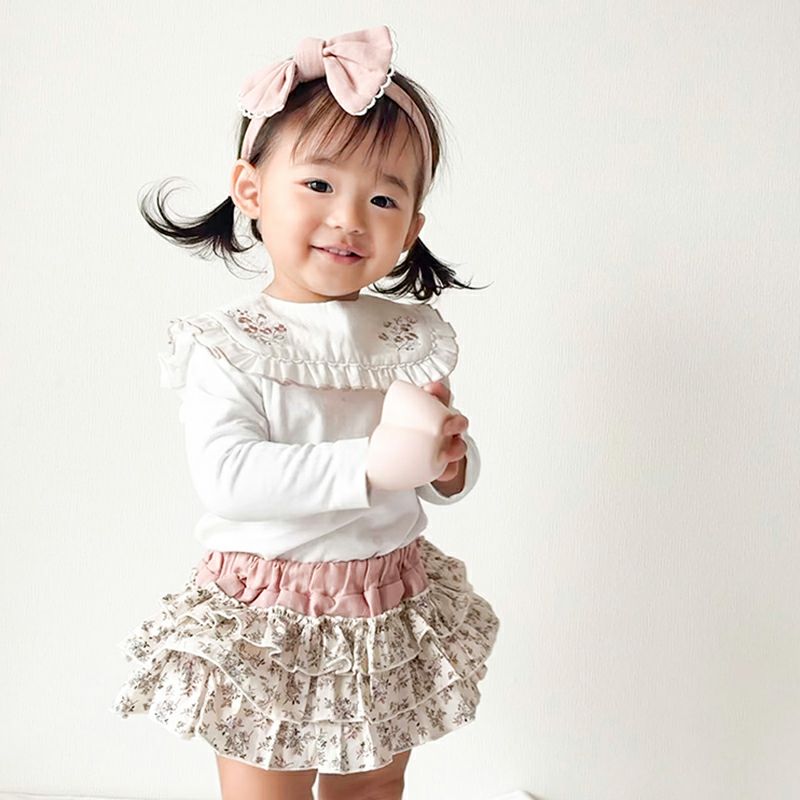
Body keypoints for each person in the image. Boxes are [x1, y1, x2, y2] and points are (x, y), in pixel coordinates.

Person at [110, 24, 500, 800]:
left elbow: (422, 472)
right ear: (252, 191)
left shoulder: (402, 338)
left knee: (374, 784)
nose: (350, 217)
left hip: (386, 599)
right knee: (268, 791)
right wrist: (370, 465)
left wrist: (449, 463)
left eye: (382, 198)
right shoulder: (232, 345)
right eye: (319, 185)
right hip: (271, 612)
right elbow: (229, 478)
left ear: (410, 229)